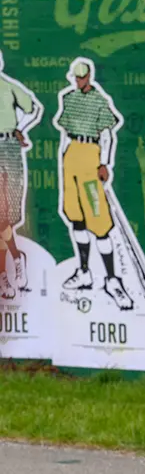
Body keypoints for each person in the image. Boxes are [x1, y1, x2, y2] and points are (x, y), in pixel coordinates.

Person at [54, 60, 132, 309]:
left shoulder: (99, 100)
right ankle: (85, 271)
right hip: (72, 154)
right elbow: (65, 132)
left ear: (89, 76)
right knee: (76, 217)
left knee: (98, 221)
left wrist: (104, 163)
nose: (78, 81)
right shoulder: (69, 98)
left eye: (82, 77)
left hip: (91, 154)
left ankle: (111, 279)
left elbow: (108, 133)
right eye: (76, 77)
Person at [0, 50, 42, 299]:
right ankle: (11, 267)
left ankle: (13, 263)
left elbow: (34, 108)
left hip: (9, 148)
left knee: (7, 215)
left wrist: (19, 128)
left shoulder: (8, 88)